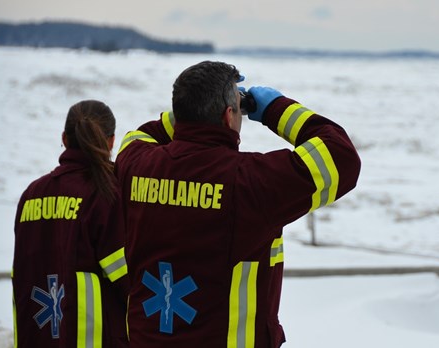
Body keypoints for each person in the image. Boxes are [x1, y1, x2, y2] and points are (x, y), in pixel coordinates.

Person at [115, 61, 361, 347]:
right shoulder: (250, 181)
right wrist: (274, 109)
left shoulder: (136, 165)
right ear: (229, 115)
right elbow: (340, 155)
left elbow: (138, 137)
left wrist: (190, 112)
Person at [13, 100, 129, 347]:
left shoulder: (31, 195)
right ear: (110, 141)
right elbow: (125, 278)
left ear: (64, 139)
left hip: (36, 337)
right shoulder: (107, 193)